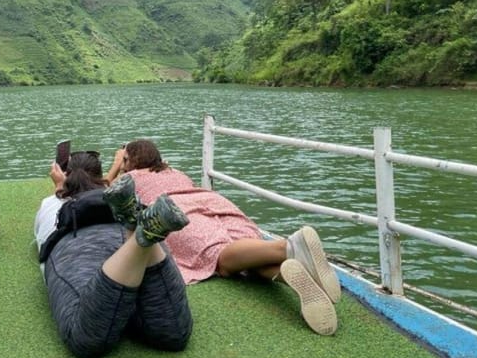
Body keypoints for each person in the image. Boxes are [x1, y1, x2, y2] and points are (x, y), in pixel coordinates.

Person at [106, 139, 341, 336]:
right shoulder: (173, 171)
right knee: (244, 259)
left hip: (179, 209)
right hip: (212, 201)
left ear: (131, 160)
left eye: (126, 158)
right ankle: (296, 274)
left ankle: (288, 247)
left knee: (218, 255)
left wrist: (117, 164)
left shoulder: (131, 178)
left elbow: (107, 189)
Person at [34, 151, 193, 358]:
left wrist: (59, 188)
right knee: (173, 333)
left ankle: (139, 236)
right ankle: (138, 231)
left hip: (74, 245)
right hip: (118, 231)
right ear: (101, 177)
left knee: (86, 338)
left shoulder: (50, 203)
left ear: (66, 176)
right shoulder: (115, 193)